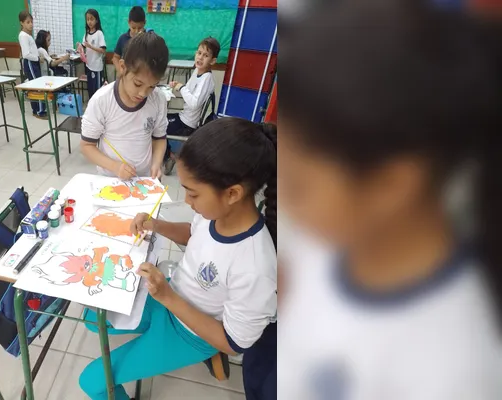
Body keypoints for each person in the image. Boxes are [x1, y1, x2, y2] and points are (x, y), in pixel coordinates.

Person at [277, 2, 502, 399]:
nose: (287, 206)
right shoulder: (329, 240)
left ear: (393, 184)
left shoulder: (454, 372)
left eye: (298, 188)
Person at [78, 117, 278, 400]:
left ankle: (206, 355)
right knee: (91, 318)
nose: (186, 201)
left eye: (192, 193)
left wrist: (168, 297)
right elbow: (193, 234)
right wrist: (155, 224)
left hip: (192, 334)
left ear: (233, 193)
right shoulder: (215, 213)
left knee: (93, 381)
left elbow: (233, 343)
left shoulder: (255, 266)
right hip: (172, 297)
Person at [80, 32, 169, 179]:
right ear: (122, 67)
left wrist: (156, 164)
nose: (143, 93)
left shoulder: (158, 98)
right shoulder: (102, 100)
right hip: (111, 180)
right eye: (138, 83)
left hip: (144, 181)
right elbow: (86, 146)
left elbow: (159, 138)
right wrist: (115, 167)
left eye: (152, 86)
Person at [163, 37, 220, 175]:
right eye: (199, 53)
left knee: (157, 125)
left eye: (206, 55)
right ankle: (167, 153)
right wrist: (176, 86)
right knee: (159, 117)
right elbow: (187, 90)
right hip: (184, 116)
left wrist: (181, 88)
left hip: (187, 124)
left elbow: (194, 103)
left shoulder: (206, 78)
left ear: (212, 61)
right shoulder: (197, 71)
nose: (200, 57)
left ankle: (168, 156)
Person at [18, 10, 46, 119]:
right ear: (22, 23)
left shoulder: (27, 35)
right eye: (28, 22)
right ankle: (39, 111)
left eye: (31, 22)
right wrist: (38, 58)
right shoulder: (23, 36)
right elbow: (26, 54)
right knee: (37, 87)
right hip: (30, 63)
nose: (31, 24)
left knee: (36, 86)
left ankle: (37, 110)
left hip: (33, 63)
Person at [78, 9, 107, 98]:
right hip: (89, 66)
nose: (89, 22)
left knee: (97, 90)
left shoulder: (99, 33)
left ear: (96, 20)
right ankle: (91, 107)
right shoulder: (86, 34)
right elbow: (83, 46)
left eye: (92, 19)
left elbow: (103, 50)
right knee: (90, 89)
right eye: (87, 19)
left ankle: (98, 108)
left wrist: (91, 47)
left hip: (97, 67)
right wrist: (79, 46)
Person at [112, 6, 146, 78]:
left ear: (144, 23)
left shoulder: (148, 39)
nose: (136, 31)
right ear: (128, 22)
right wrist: (120, 70)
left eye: (140, 28)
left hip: (141, 79)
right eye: (133, 28)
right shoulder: (123, 38)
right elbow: (115, 58)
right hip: (125, 77)